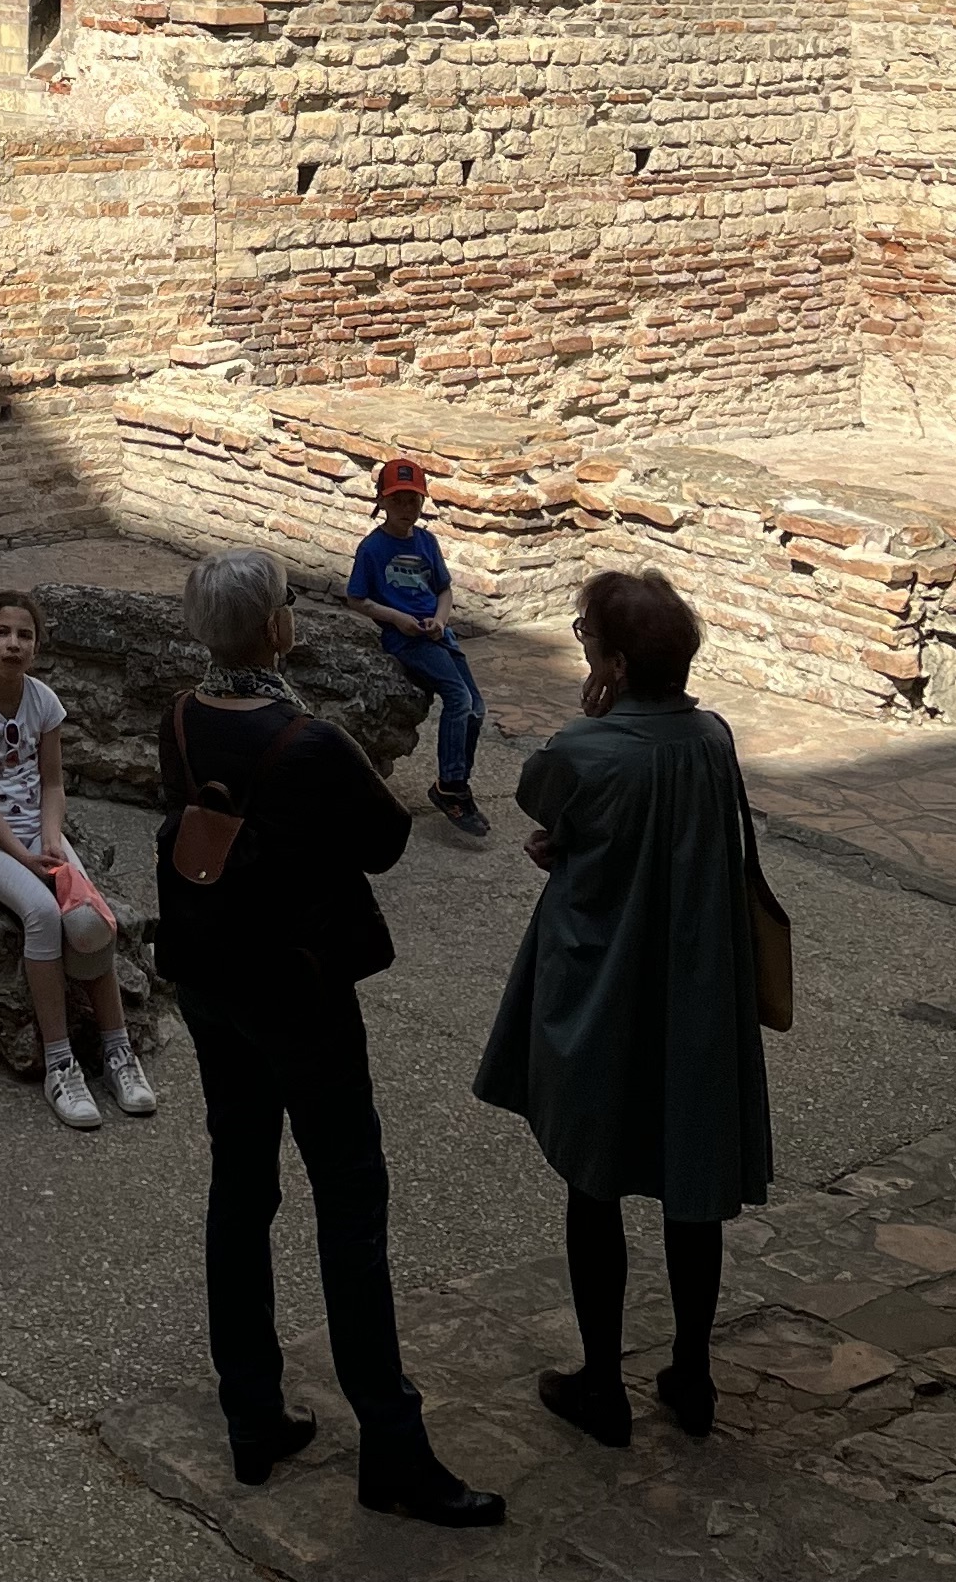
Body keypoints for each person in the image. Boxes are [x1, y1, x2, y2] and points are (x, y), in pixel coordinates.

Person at [156, 545, 507, 1529]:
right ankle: (391, 1441)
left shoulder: (179, 719)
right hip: (297, 992)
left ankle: (252, 1411)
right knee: (350, 1203)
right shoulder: (308, 741)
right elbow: (386, 843)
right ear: (275, 627)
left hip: (212, 979)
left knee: (241, 1186)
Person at [473, 567, 771, 1447]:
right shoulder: (711, 738)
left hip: (605, 981)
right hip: (695, 983)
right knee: (691, 1183)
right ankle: (692, 1370)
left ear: (616, 664)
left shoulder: (584, 747)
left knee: (594, 1180)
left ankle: (602, 1380)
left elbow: (545, 800)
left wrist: (590, 717)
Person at [0, 585, 156, 1129]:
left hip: (40, 832)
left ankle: (118, 1051)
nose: (13, 644)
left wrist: (52, 841)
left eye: (24, 635)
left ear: (37, 646)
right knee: (41, 913)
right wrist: (23, 855)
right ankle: (60, 1063)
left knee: (87, 917)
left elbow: (53, 784)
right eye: (2, 633)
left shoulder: (44, 703)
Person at [346, 458, 490, 842]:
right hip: (406, 638)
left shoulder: (427, 542)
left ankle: (457, 781)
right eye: (398, 500)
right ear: (381, 501)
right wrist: (396, 618)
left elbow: (444, 590)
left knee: (477, 707)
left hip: (437, 634)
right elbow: (357, 598)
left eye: (413, 500)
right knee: (458, 698)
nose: (406, 508)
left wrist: (441, 621)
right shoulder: (373, 548)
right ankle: (451, 786)